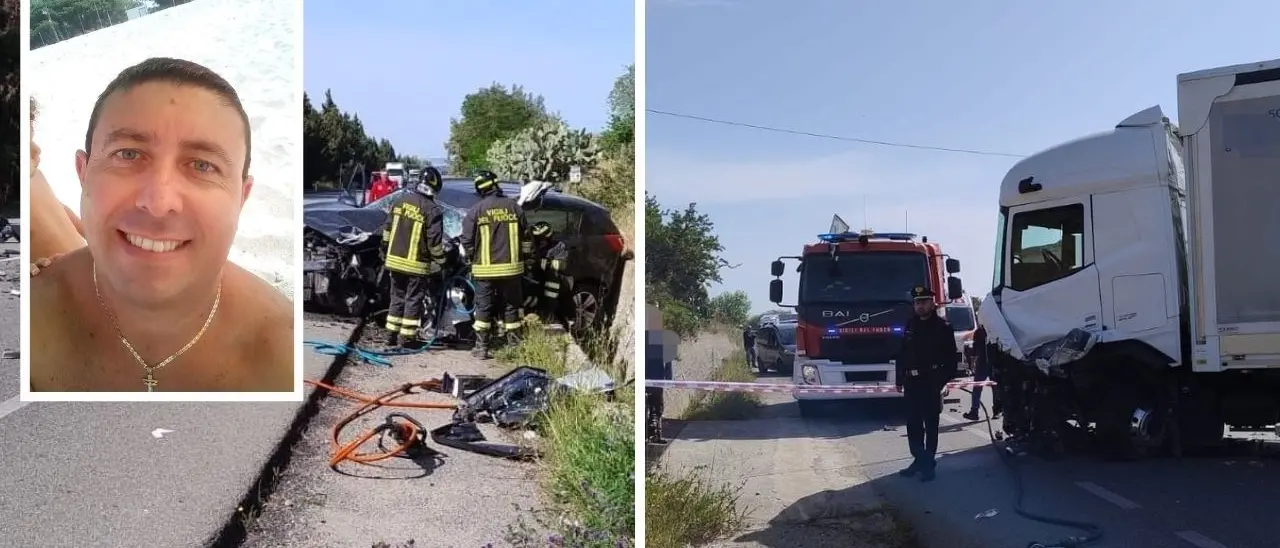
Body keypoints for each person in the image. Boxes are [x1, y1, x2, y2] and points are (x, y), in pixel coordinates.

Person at [30, 57, 293, 392]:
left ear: (242, 197)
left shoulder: (282, 353)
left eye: (202, 165)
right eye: (128, 154)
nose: (157, 203)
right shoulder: (31, 316)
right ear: (83, 173)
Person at [461, 170, 530, 359]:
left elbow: (466, 241)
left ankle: (482, 347)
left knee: (483, 307)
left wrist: (471, 256)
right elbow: (526, 238)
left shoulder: (477, 211)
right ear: (496, 184)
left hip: (484, 270)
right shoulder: (514, 207)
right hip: (511, 269)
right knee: (511, 306)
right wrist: (526, 258)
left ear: (480, 190)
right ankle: (514, 345)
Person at [896, 286, 958, 482]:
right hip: (911, 382)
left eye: (923, 302)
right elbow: (902, 354)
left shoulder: (943, 327)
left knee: (931, 424)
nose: (919, 306)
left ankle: (927, 463)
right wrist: (899, 379)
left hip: (930, 381)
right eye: (916, 302)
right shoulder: (910, 325)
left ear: (932, 303)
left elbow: (951, 361)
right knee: (913, 425)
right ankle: (920, 460)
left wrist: (940, 381)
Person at [379, 166, 445, 347]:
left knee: (397, 297)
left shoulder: (400, 202)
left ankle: (390, 335)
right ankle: (405, 338)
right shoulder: (432, 210)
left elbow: (386, 230)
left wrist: (385, 251)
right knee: (413, 299)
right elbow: (435, 244)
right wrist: (443, 261)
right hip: (416, 265)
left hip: (394, 261)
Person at [30, 96, 88, 262]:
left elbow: (59, 207)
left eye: (32, 139)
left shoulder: (37, 175)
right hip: (56, 280)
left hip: (85, 259)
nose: (37, 149)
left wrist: (90, 234)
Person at [527, 221, 570, 321]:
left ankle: (549, 312)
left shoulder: (558, 246)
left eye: (540, 238)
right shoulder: (531, 245)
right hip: (536, 278)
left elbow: (562, 265)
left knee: (552, 276)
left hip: (557, 280)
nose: (537, 241)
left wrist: (543, 263)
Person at [963, 324, 1002, 421]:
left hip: (993, 363)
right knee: (977, 387)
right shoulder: (979, 332)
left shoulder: (995, 330)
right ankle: (974, 412)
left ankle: (997, 410)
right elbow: (975, 348)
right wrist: (973, 362)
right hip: (982, 363)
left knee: (995, 388)